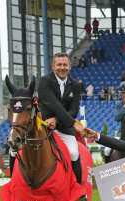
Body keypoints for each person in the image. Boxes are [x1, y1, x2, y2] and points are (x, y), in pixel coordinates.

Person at [38, 52, 84, 185]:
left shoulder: (76, 85)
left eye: (65, 65)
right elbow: (54, 104)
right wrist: (71, 122)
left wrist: (57, 120)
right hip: (44, 126)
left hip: (64, 129)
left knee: (74, 153)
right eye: (59, 64)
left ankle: (78, 190)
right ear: (53, 66)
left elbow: (74, 111)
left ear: (69, 67)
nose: (62, 67)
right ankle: (14, 181)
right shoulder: (44, 81)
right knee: (16, 150)